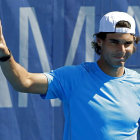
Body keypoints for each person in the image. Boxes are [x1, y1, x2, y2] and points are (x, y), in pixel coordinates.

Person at [0, 11, 140, 140]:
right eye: (114, 42)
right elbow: (24, 81)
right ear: (99, 40)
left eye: (127, 43)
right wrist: (5, 55)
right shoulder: (74, 77)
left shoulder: (137, 83)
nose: (121, 50)